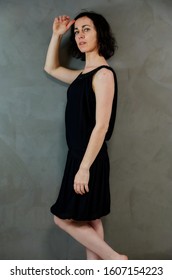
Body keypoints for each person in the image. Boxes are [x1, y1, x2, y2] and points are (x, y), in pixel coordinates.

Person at [44, 11, 128, 260]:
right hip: (79, 155)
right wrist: (57, 35)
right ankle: (94, 272)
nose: (80, 35)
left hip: (88, 158)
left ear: (99, 33)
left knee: (62, 218)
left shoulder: (103, 74)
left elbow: (101, 126)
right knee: (90, 218)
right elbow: (50, 68)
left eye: (86, 29)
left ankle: (115, 260)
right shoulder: (83, 75)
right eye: (77, 31)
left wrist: (84, 168)